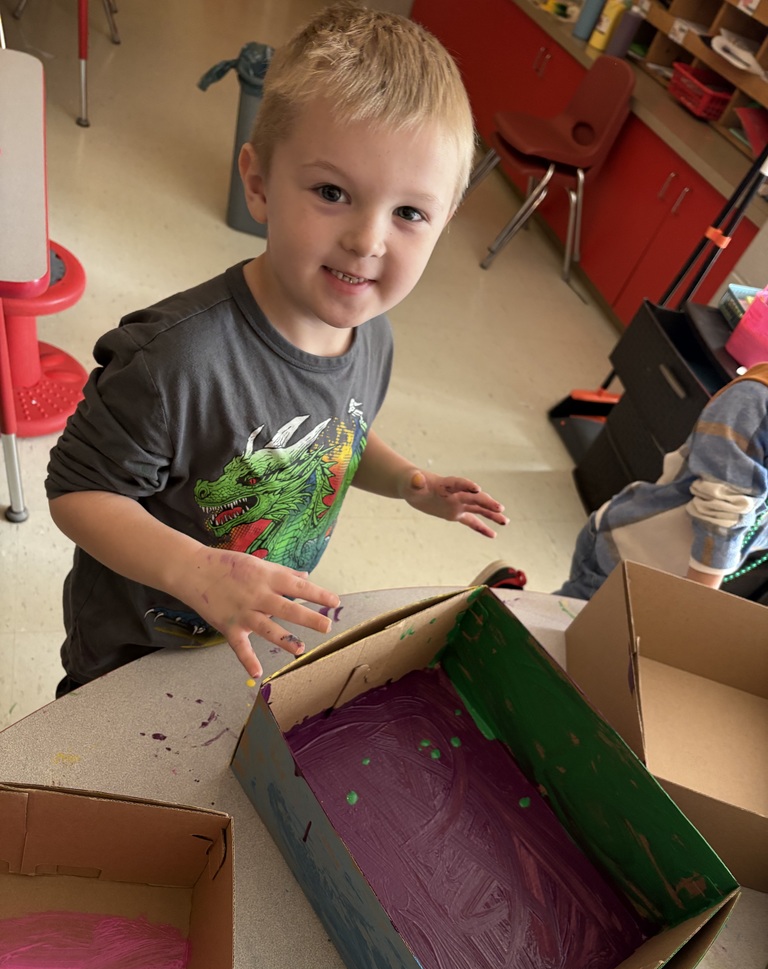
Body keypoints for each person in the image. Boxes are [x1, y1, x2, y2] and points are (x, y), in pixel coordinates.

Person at [45, 2, 509, 695]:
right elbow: (77, 491)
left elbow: (340, 437)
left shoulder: (371, 337)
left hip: (240, 643)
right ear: (258, 184)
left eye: (409, 213)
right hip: (132, 653)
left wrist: (410, 482)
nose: (368, 240)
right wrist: (199, 572)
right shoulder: (174, 362)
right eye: (332, 192)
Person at [556, 362, 768, 601]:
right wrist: (695, 603)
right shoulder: (755, 396)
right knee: (558, 625)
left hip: (669, 578)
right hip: (628, 557)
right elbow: (721, 511)